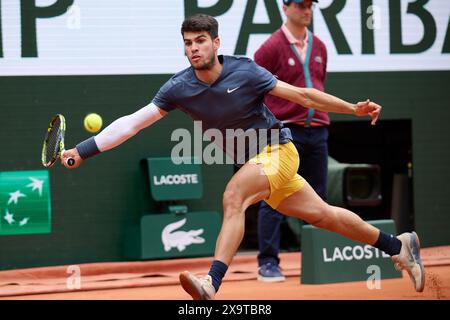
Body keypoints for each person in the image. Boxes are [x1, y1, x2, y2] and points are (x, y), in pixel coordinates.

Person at [61, 14, 425, 300]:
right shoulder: (178, 87)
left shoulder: (246, 70)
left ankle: (212, 283)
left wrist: (353, 108)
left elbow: (304, 96)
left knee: (233, 197)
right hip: (256, 164)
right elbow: (132, 124)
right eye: (188, 43)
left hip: (279, 152)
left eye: (200, 41)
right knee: (325, 217)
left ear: (216, 43)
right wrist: (83, 150)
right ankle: (399, 245)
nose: (193, 49)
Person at [254, 0, 329, 282]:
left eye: (310, 5)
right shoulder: (270, 47)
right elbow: (253, 89)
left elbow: (319, 88)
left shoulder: (320, 46)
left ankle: (321, 258)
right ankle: (268, 264)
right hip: (284, 134)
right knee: (273, 197)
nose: (307, 10)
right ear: (286, 8)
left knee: (319, 199)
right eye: (301, 5)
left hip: (318, 130)